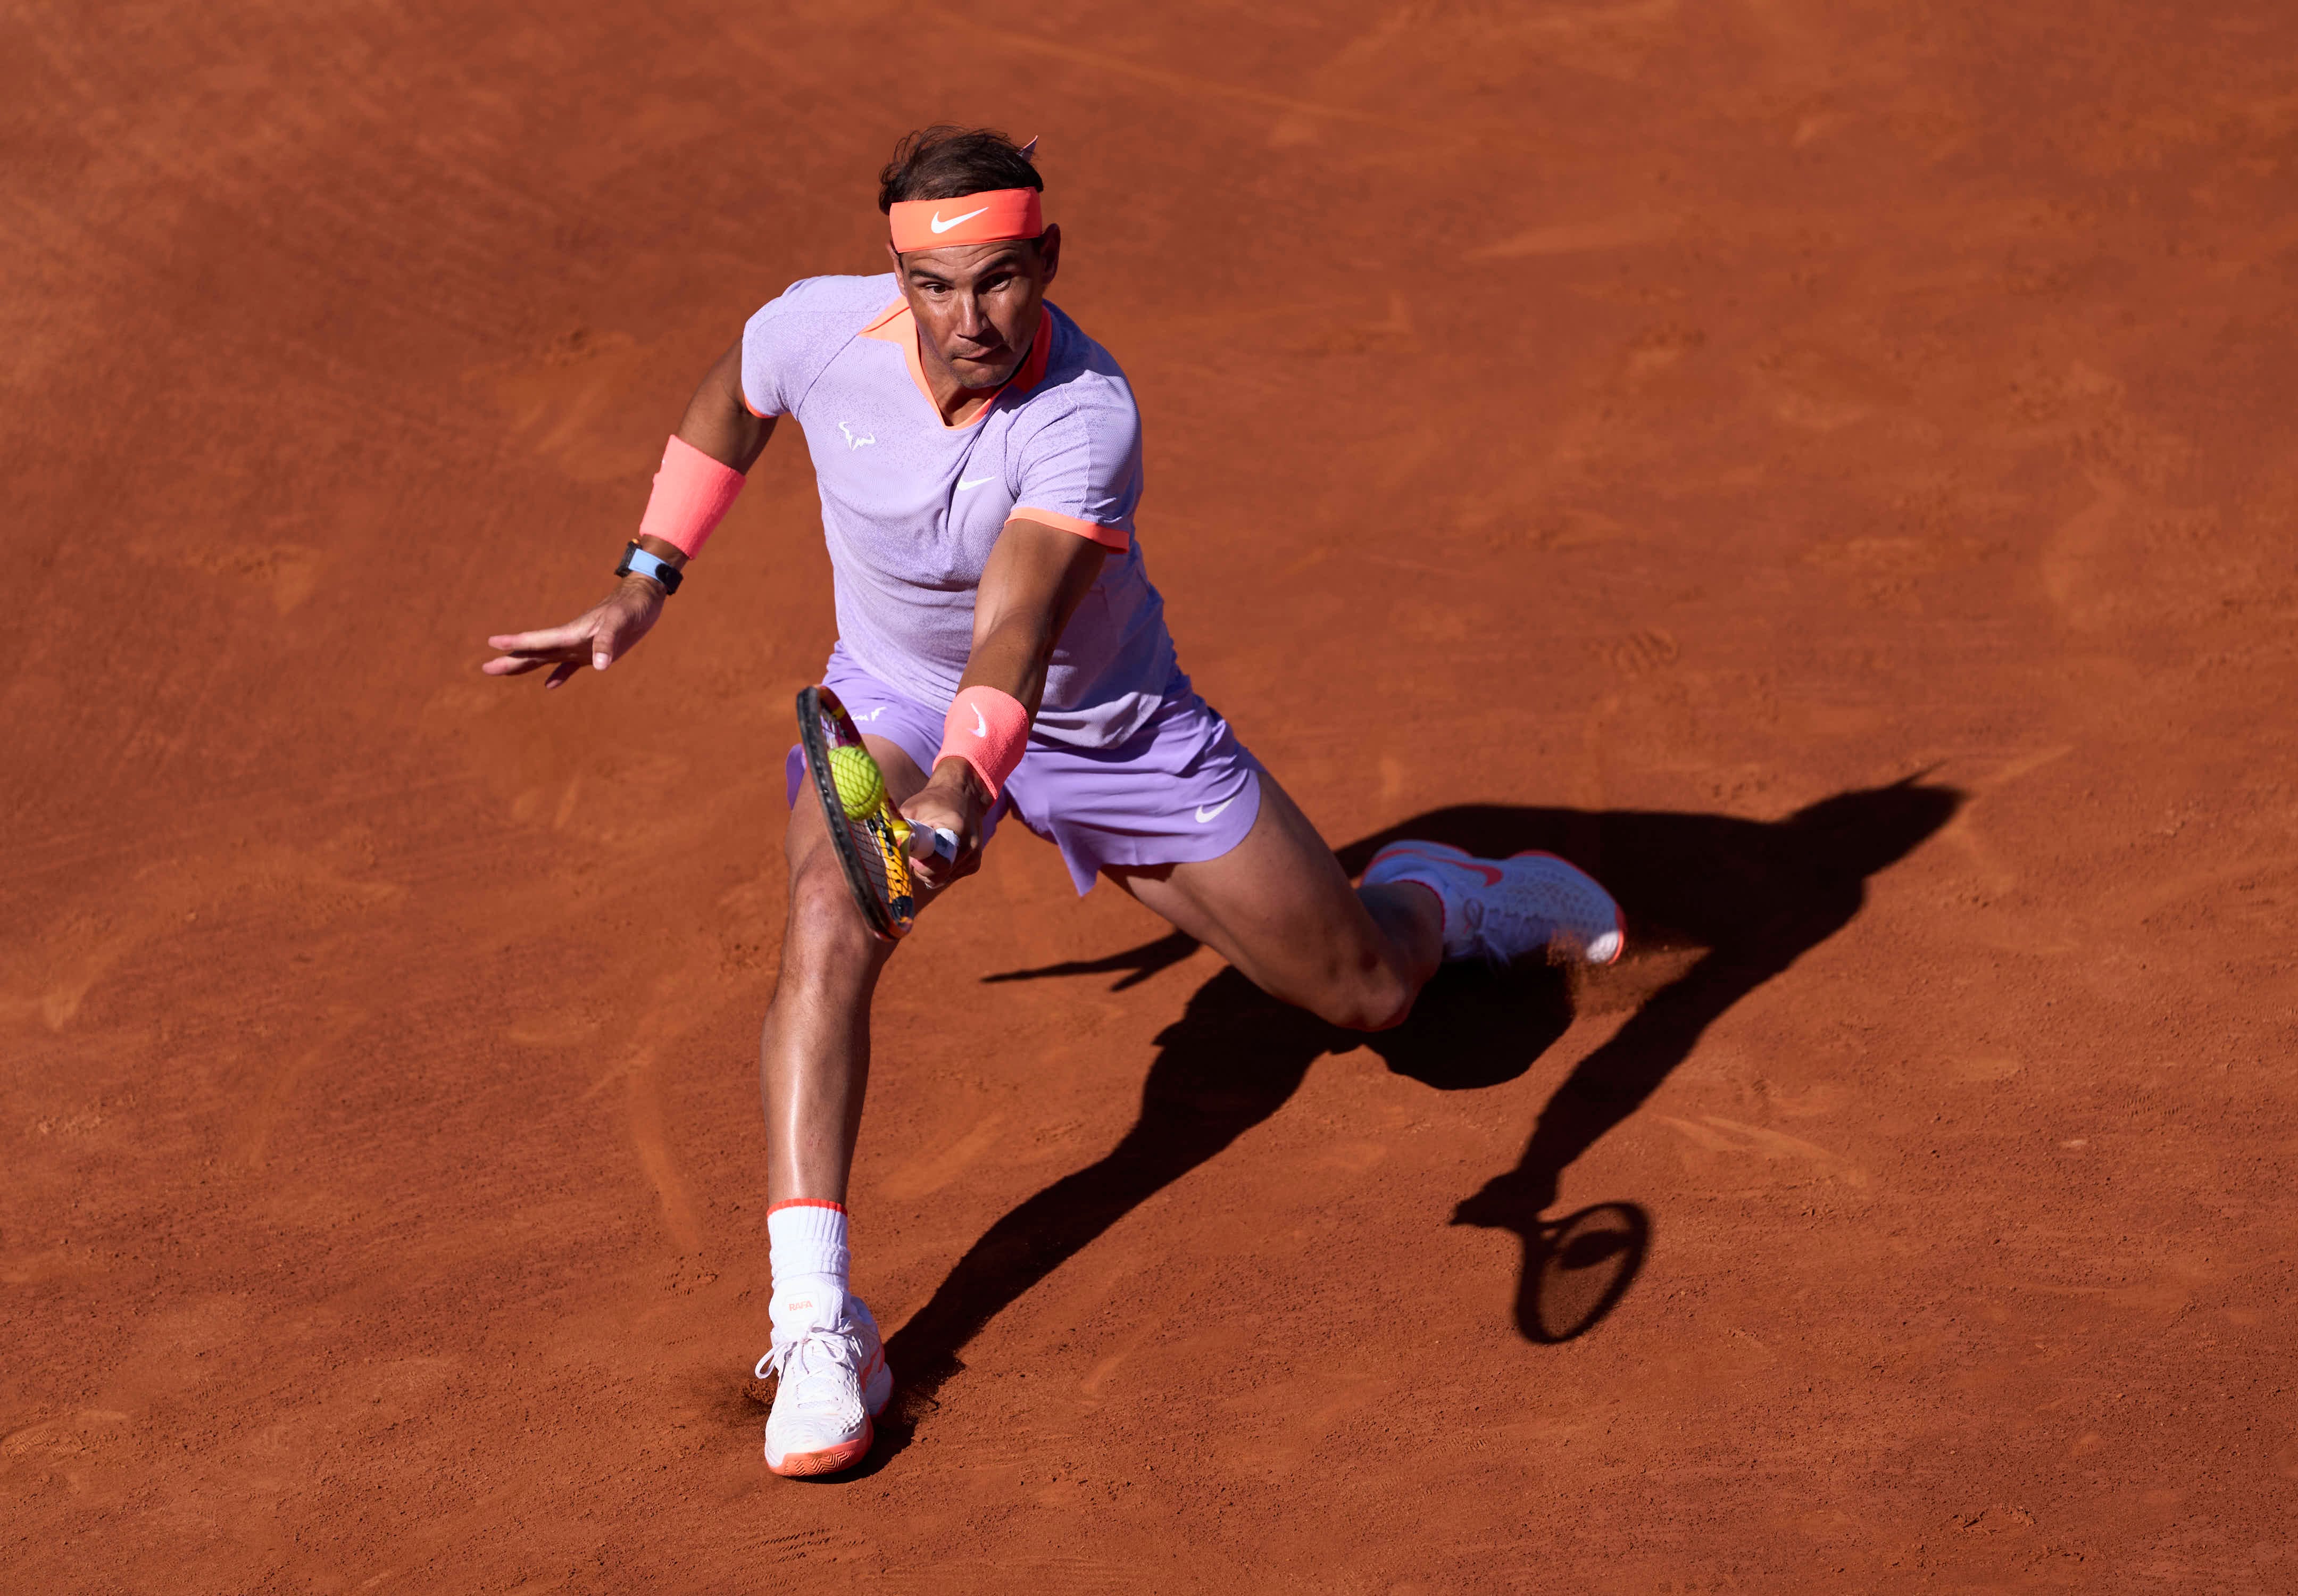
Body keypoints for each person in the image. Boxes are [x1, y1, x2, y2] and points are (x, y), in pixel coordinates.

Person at [484, 126, 1624, 1477]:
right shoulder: (815, 331)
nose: (970, 321)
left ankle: (1443, 893)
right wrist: (645, 576)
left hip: (1107, 730)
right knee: (824, 922)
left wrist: (970, 794)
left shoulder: (1087, 415)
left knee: (1370, 995)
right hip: (893, 700)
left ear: (1051, 261)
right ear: (893, 275)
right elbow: (732, 397)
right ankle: (816, 1321)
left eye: (1004, 281)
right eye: (936, 287)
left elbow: (1015, 631)